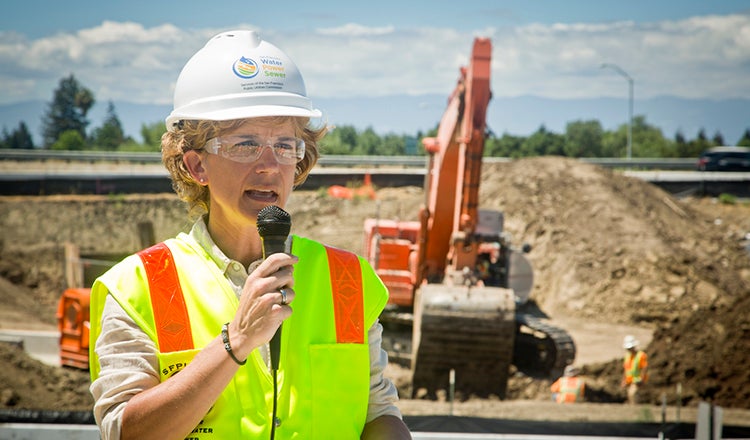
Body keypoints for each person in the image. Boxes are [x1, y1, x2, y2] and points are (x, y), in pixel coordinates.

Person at [88, 30, 412, 440]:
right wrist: (234, 343)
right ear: (196, 166)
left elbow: (378, 413)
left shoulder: (348, 280)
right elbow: (125, 433)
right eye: (245, 144)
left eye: (285, 145)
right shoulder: (136, 287)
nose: (269, 165)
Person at [621, 335, 648, 404]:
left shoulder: (641, 355)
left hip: (637, 380)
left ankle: (635, 409)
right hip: (629, 380)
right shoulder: (627, 356)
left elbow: (644, 368)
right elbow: (626, 369)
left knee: (632, 394)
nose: (629, 350)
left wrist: (641, 379)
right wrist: (624, 380)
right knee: (630, 396)